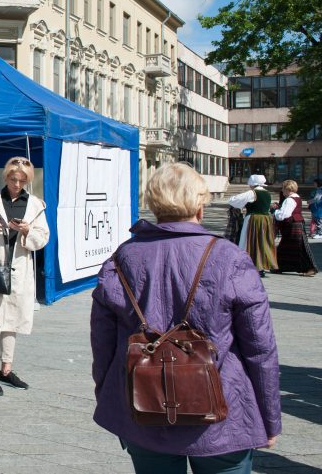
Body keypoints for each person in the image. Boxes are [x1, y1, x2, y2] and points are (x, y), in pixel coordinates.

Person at [91, 163, 281, 474]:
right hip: (223, 411)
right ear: (200, 203)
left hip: (143, 406)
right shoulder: (229, 257)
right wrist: (269, 416)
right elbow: (260, 349)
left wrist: (109, 395)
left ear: (154, 202)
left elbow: (103, 345)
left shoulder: (121, 258)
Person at [0, 156, 49, 396]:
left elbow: (43, 236)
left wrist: (27, 231)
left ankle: (6, 369)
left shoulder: (34, 204)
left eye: (22, 180)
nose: (17, 184)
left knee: (12, 320)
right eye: (13, 179)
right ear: (6, 177)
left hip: (19, 266)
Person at [228, 174, 278, 276]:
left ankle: (250, 265)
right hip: (266, 220)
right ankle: (261, 267)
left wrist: (242, 204)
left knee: (249, 241)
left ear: (252, 184)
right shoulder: (267, 193)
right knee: (262, 242)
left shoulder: (252, 193)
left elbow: (233, 200)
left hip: (254, 219)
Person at [273, 179, 317, 276]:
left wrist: (275, 211)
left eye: (283, 188)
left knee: (298, 247)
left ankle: (310, 268)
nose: (282, 191)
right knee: (288, 247)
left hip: (292, 225)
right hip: (296, 223)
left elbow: (284, 215)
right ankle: (280, 266)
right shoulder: (297, 197)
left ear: (288, 189)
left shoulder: (289, 200)